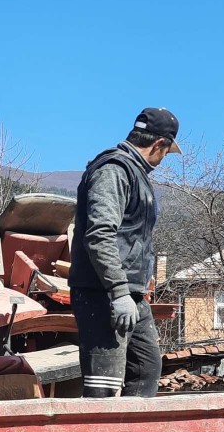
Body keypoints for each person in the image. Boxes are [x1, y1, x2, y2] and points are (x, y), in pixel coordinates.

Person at [69, 107, 181, 398]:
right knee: (103, 387)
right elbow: (100, 234)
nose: (163, 159)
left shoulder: (136, 174)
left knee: (146, 367)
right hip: (103, 293)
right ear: (159, 144)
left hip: (130, 293)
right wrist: (118, 291)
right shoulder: (114, 171)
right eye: (166, 152)